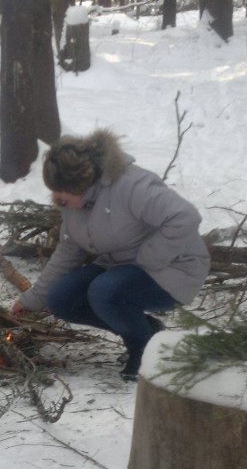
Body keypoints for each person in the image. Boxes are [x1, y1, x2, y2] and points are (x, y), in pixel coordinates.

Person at [12, 128, 210, 381]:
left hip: (174, 268)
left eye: (60, 191)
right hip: (121, 266)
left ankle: (144, 349)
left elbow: (185, 217)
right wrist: (32, 299)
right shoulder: (73, 204)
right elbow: (69, 249)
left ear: (79, 184)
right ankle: (147, 331)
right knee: (61, 298)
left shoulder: (132, 185)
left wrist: (148, 259)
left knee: (104, 291)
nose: (55, 197)